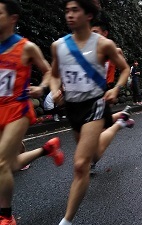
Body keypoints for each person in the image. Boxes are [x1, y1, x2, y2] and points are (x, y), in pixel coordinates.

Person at [50, 1, 132, 224]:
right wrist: (55, 88)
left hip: (96, 103)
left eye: (75, 10)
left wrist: (115, 88)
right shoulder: (59, 46)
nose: (69, 15)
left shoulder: (104, 45)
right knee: (94, 154)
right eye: (67, 11)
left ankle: (66, 220)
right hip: (73, 107)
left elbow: (124, 68)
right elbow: (54, 73)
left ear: (88, 15)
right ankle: (118, 123)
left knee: (80, 164)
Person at [0, 1, 65, 224]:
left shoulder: (26, 47)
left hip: (18, 109)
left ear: (12, 19)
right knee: (10, 164)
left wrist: (41, 87)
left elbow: (48, 71)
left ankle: (6, 217)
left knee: (1, 164)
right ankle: (47, 149)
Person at [91, 21, 124, 91]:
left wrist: (117, 88)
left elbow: (124, 70)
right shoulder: (87, 50)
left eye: (95, 32)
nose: (92, 35)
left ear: (105, 33)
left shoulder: (112, 50)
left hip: (108, 87)